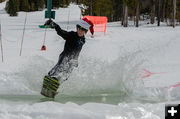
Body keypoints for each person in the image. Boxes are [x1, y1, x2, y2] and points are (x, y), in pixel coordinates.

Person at [41, 18, 94, 98]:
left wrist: (76, 60)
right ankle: (50, 77)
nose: (80, 31)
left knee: (65, 76)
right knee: (59, 68)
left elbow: (78, 51)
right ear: (77, 28)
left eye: (82, 30)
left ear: (85, 31)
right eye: (79, 29)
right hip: (65, 56)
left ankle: (54, 88)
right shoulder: (71, 35)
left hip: (73, 60)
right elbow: (61, 32)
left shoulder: (83, 40)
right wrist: (54, 25)